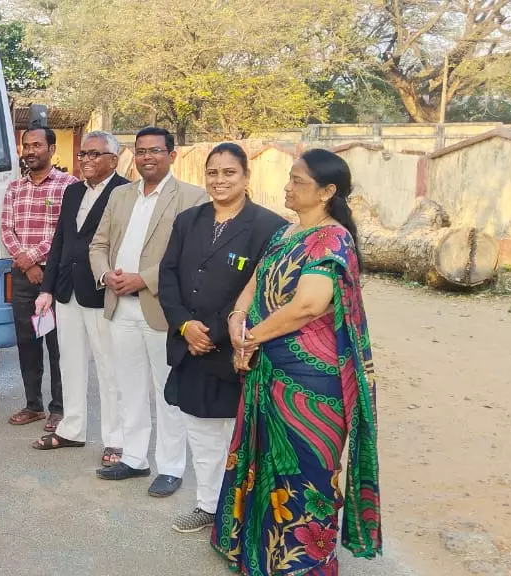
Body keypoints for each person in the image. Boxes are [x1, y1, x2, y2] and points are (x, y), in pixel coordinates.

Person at [214, 149, 381, 574]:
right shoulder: (284, 233)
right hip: (266, 369)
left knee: (306, 469)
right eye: (289, 179)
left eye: (298, 181)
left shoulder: (332, 238)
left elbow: (309, 304)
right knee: (263, 462)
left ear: (327, 191)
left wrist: (251, 337)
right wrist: (237, 318)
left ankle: (303, 563)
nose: (288, 187)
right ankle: (260, 551)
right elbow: (253, 283)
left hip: (310, 383)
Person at [157, 143, 287, 533]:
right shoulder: (188, 220)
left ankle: (244, 511)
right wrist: (184, 326)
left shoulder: (269, 227)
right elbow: (168, 276)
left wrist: (212, 331)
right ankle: (208, 505)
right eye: (213, 173)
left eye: (229, 173)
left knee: (240, 434)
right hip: (189, 346)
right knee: (200, 430)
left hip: (236, 351)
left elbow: (259, 289)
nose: (219, 180)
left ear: (246, 177)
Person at [88, 126, 206, 496]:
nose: (147, 157)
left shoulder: (192, 197)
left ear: (172, 155)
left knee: (167, 390)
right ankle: (135, 458)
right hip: (119, 306)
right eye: (140, 151)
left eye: (155, 150)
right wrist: (106, 274)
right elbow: (98, 244)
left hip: (161, 308)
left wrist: (144, 280)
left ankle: (170, 467)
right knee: (128, 386)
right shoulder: (121, 195)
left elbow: (190, 256)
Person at [30, 131, 130, 462]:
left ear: (113, 160)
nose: (85, 160)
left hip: (103, 291)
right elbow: (61, 242)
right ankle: (71, 429)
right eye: (83, 154)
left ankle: (116, 439)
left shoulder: (125, 192)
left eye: (94, 155)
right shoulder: (72, 192)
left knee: (109, 367)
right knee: (69, 362)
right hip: (66, 290)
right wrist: (46, 289)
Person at [2, 127, 78, 431]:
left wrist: (35, 258)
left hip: (55, 275)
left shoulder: (68, 186)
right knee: (26, 342)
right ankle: (33, 405)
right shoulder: (14, 188)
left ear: (52, 148)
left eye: (37, 145)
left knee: (58, 344)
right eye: (26, 146)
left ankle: (59, 408)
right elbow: (7, 229)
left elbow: (66, 232)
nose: (30, 151)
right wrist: (26, 261)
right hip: (23, 277)